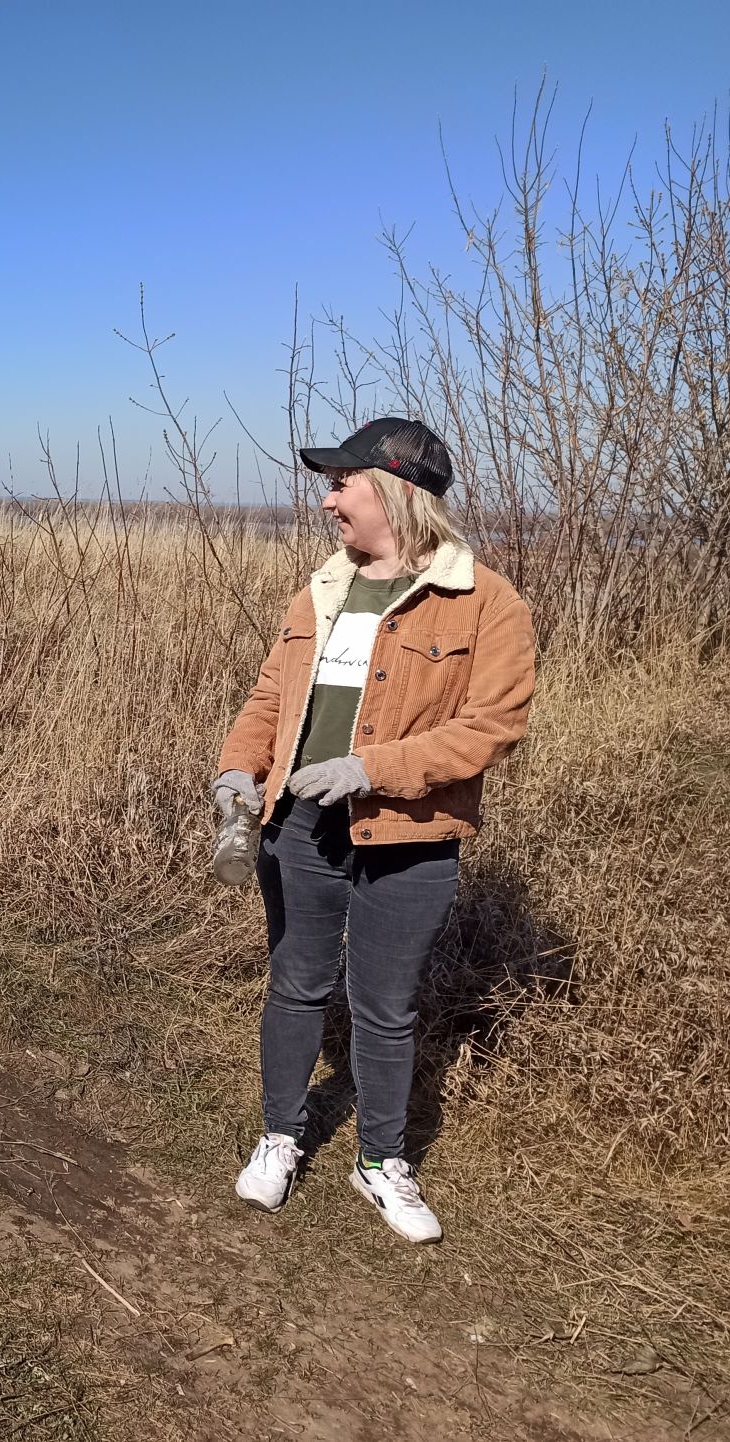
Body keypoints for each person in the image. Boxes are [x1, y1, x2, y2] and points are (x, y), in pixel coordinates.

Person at [213, 417, 535, 1243]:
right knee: (296, 985)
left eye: (341, 484)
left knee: (385, 1007)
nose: (326, 501)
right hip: (298, 829)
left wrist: (372, 769)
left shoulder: (487, 604)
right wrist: (237, 767)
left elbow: (492, 726)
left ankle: (381, 1162)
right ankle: (280, 1138)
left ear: (393, 492)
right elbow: (268, 701)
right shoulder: (317, 591)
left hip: (412, 835)